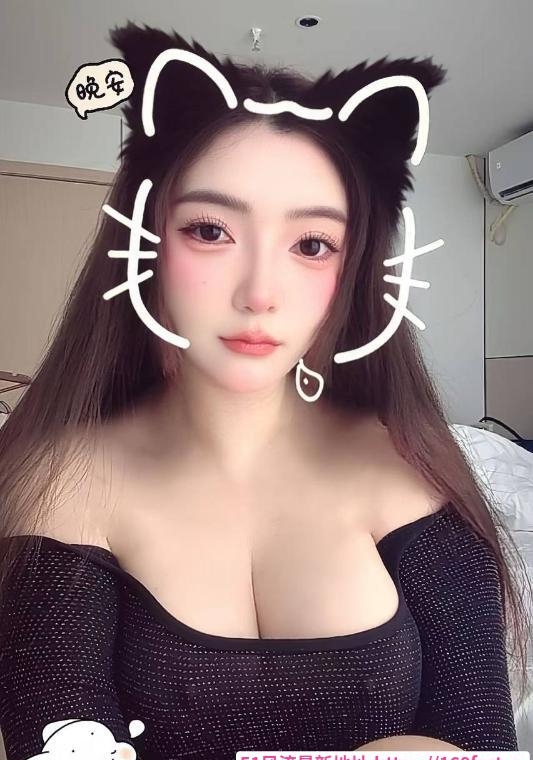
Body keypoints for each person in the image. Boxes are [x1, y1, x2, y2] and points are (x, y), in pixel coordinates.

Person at [0, 21, 529, 760]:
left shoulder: (411, 467)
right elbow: (56, 738)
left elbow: (480, 734)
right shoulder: (62, 482)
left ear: (353, 270)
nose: (259, 293)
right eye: (210, 231)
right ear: (146, 242)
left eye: (311, 245)